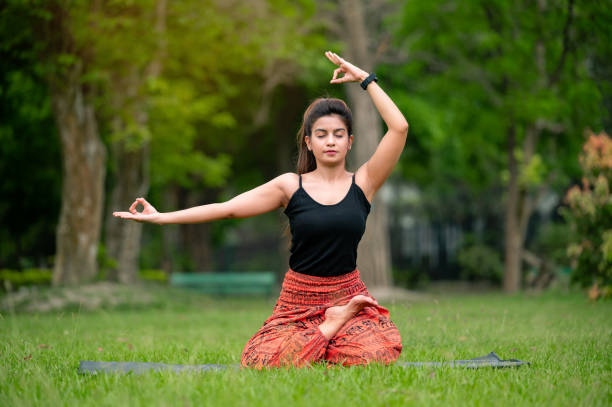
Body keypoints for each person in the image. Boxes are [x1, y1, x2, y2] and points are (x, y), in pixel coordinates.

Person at [113, 51, 409, 368]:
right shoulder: (289, 186)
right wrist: (161, 218)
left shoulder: (364, 182)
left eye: (338, 135)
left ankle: (335, 325)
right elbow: (227, 209)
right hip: (298, 301)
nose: (330, 142)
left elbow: (399, 128)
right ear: (309, 142)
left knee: (376, 355)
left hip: (347, 293)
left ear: (350, 142)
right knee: (260, 359)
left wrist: (365, 78)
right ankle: (330, 327)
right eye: (321, 135)